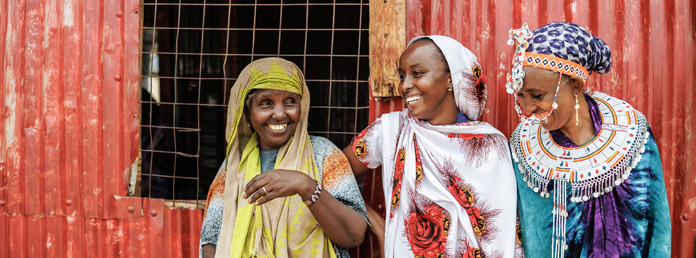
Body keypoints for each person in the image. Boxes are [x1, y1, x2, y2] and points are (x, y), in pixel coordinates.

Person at [343, 36, 521, 258]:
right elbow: (334, 174)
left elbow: (502, 234)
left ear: (450, 80)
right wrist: (377, 224)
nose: (405, 85)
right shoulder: (391, 131)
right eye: (402, 76)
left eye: (417, 73)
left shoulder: (490, 145)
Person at [505, 22, 671, 258]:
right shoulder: (524, 148)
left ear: (575, 85)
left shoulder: (631, 134)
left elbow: (658, 226)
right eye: (521, 96)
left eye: (538, 95)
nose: (529, 108)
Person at [200, 58, 367, 258]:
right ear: (246, 110)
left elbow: (354, 235)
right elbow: (210, 241)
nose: (280, 114)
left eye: (290, 101)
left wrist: (306, 186)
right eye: (265, 103)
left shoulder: (323, 154)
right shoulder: (234, 165)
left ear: (301, 106)